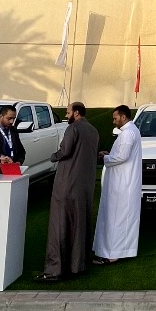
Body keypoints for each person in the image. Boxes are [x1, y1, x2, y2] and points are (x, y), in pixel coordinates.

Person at [36, 102, 100, 282]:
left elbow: (65, 151)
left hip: (67, 184)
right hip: (85, 186)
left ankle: (55, 269)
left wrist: (52, 156)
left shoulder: (73, 129)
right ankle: (78, 265)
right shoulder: (93, 131)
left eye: (68, 112)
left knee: (60, 224)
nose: (66, 115)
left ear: (76, 113)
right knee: (80, 224)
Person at [93, 104, 142, 264]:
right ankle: (112, 251)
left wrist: (104, 158)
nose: (114, 121)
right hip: (122, 181)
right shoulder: (130, 131)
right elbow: (121, 154)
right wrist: (109, 154)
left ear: (123, 117)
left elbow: (122, 156)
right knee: (118, 217)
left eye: (115, 118)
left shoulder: (128, 133)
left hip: (123, 183)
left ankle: (112, 254)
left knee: (116, 218)